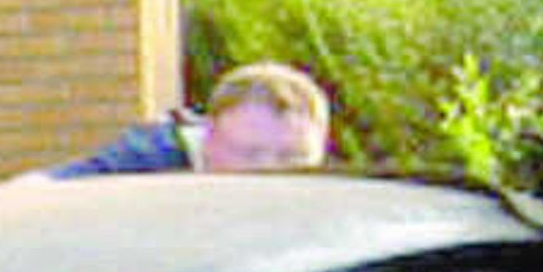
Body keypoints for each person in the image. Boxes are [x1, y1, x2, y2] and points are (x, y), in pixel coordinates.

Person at [45, 61, 330, 177]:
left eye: (293, 158)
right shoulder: (145, 162)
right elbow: (33, 196)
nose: (271, 174)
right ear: (207, 141)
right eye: (250, 155)